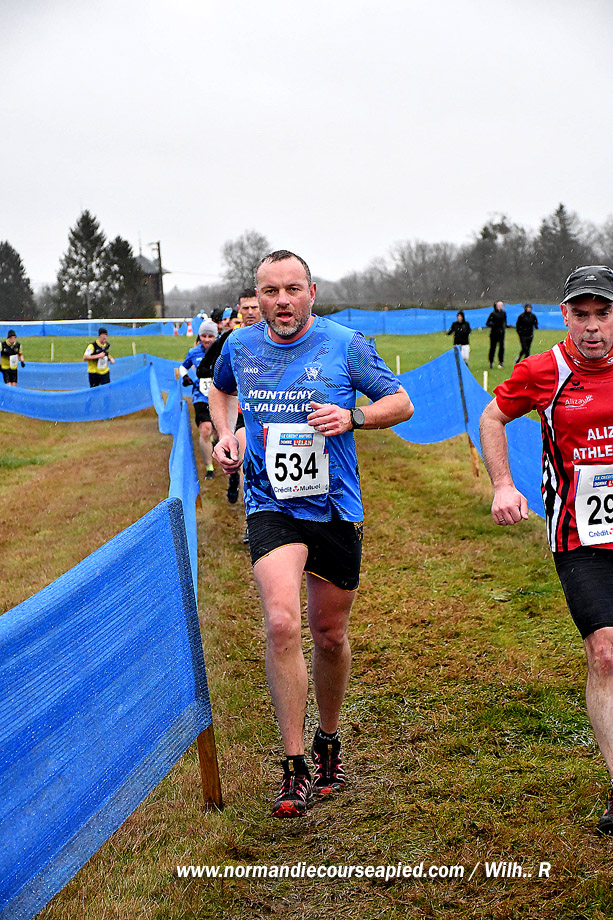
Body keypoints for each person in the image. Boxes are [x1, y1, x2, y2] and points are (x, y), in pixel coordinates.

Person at [209, 249, 414, 818]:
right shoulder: (239, 346)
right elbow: (219, 389)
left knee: (328, 634)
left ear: (311, 293)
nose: (281, 301)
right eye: (270, 291)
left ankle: (328, 741)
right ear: (257, 296)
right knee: (281, 622)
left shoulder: (345, 344)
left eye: (292, 289)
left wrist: (353, 417)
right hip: (270, 503)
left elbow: (401, 402)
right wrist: (225, 435)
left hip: (334, 508)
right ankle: (294, 763)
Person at [479, 264, 613, 835]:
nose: (592, 327)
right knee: (605, 653)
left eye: (603, 314)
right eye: (581, 315)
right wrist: (503, 484)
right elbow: (492, 415)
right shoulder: (545, 370)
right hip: (579, 536)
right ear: (564, 316)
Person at [197, 289, 261, 506]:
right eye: (246, 308)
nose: (250, 312)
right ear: (239, 310)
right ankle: (252, 515)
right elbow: (203, 369)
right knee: (247, 460)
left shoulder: (277, 335)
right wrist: (225, 375)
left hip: (272, 411)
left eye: (254, 307)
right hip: (241, 410)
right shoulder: (229, 338)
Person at [179, 320, 218, 480]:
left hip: (219, 396)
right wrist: (185, 377)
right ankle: (209, 468)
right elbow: (183, 367)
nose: (207, 340)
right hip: (200, 396)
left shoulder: (222, 350)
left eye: (210, 336)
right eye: (204, 336)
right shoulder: (194, 352)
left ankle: (217, 445)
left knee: (218, 433)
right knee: (205, 429)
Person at [486, 301, 507, 368]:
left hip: (501, 333)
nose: (500, 307)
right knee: (493, 348)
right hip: (494, 333)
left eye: (501, 305)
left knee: (501, 347)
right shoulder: (493, 314)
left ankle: (501, 361)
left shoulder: (503, 313)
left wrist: (503, 327)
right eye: (499, 305)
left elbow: (505, 322)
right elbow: (487, 323)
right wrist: (493, 325)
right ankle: (491, 362)